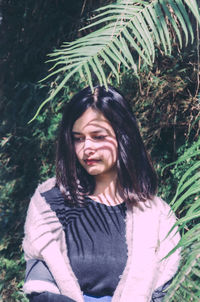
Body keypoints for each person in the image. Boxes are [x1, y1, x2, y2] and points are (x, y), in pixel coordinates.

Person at [23, 85, 181, 302]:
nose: (87, 147)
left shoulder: (156, 215)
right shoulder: (51, 203)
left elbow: (164, 290)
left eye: (98, 136)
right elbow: (41, 289)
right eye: (78, 138)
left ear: (123, 136)